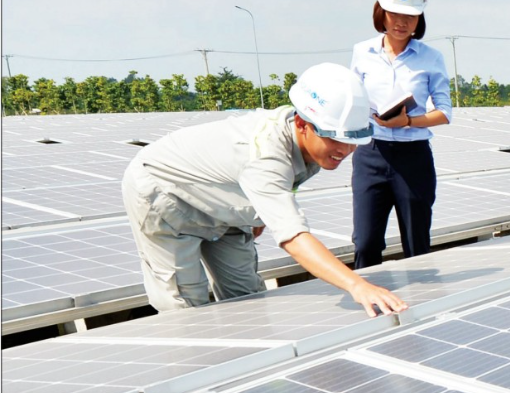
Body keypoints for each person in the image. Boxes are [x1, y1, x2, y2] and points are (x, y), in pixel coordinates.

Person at [121, 63, 407, 317]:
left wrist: (258, 214)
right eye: (334, 138)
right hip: (168, 199)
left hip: (225, 210)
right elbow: (293, 237)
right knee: (185, 309)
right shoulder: (265, 156)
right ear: (302, 124)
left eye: (352, 139)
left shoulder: (313, 144)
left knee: (247, 299)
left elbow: (278, 185)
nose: (344, 150)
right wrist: (357, 285)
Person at [350, 0, 452, 269]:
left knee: (416, 242)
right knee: (366, 242)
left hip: (413, 158)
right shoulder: (362, 53)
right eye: (395, 13)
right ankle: (369, 307)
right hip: (371, 154)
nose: (402, 22)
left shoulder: (431, 58)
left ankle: (422, 309)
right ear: (380, 10)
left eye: (410, 15)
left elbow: (444, 112)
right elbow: (352, 98)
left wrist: (408, 121)